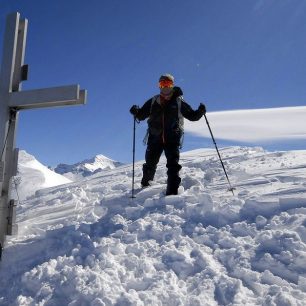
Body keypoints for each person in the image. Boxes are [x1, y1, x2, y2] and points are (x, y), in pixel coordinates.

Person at [130, 74, 206, 195]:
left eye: (168, 84)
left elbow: (192, 116)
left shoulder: (179, 102)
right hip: (154, 137)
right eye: (162, 84)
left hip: (172, 138)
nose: (165, 87)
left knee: (173, 165)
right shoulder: (153, 101)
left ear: (172, 85)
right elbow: (141, 115)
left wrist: (200, 112)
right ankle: (145, 188)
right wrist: (136, 112)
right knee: (150, 163)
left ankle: (172, 193)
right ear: (159, 86)